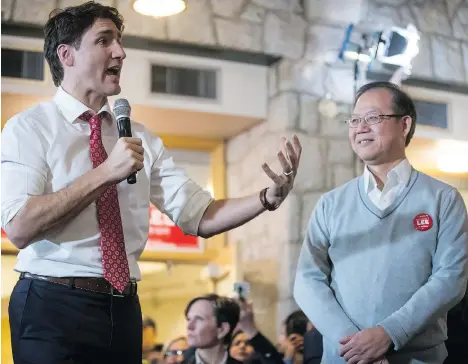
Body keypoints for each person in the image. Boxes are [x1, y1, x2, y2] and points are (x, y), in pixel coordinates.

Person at [1, 2, 302, 363]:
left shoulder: (141, 138)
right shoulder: (30, 128)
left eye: (120, 41)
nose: (121, 52)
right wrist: (106, 173)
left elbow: (199, 215)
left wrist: (266, 198)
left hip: (125, 308)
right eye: (104, 41)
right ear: (67, 55)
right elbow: (19, 227)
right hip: (53, 306)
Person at [293, 81, 468, 364]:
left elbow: (451, 279)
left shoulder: (443, 199)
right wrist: (356, 345)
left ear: (405, 124)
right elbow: (307, 279)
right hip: (344, 358)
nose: (361, 127)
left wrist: (389, 333)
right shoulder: (331, 203)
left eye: (373, 117)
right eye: (354, 119)